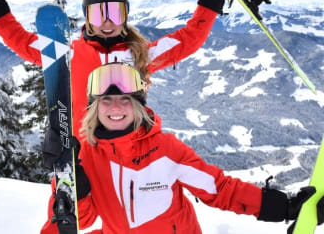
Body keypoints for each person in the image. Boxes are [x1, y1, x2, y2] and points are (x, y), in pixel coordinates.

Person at [0, 0, 226, 233]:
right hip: (80, 155)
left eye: (115, 12)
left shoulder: (140, 55)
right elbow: (21, 40)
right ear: (87, 18)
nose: (107, 21)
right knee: (64, 220)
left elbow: (187, 40)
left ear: (125, 16)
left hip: (127, 159)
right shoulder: (68, 54)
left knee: (133, 221)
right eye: (98, 14)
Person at [61, 62, 323, 234]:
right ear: (95, 108)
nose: (116, 108)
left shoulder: (165, 149)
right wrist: (75, 188)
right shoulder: (86, 155)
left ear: (138, 105)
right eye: (106, 100)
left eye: (125, 99)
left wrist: (282, 207)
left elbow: (219, 188)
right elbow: (81, 221)